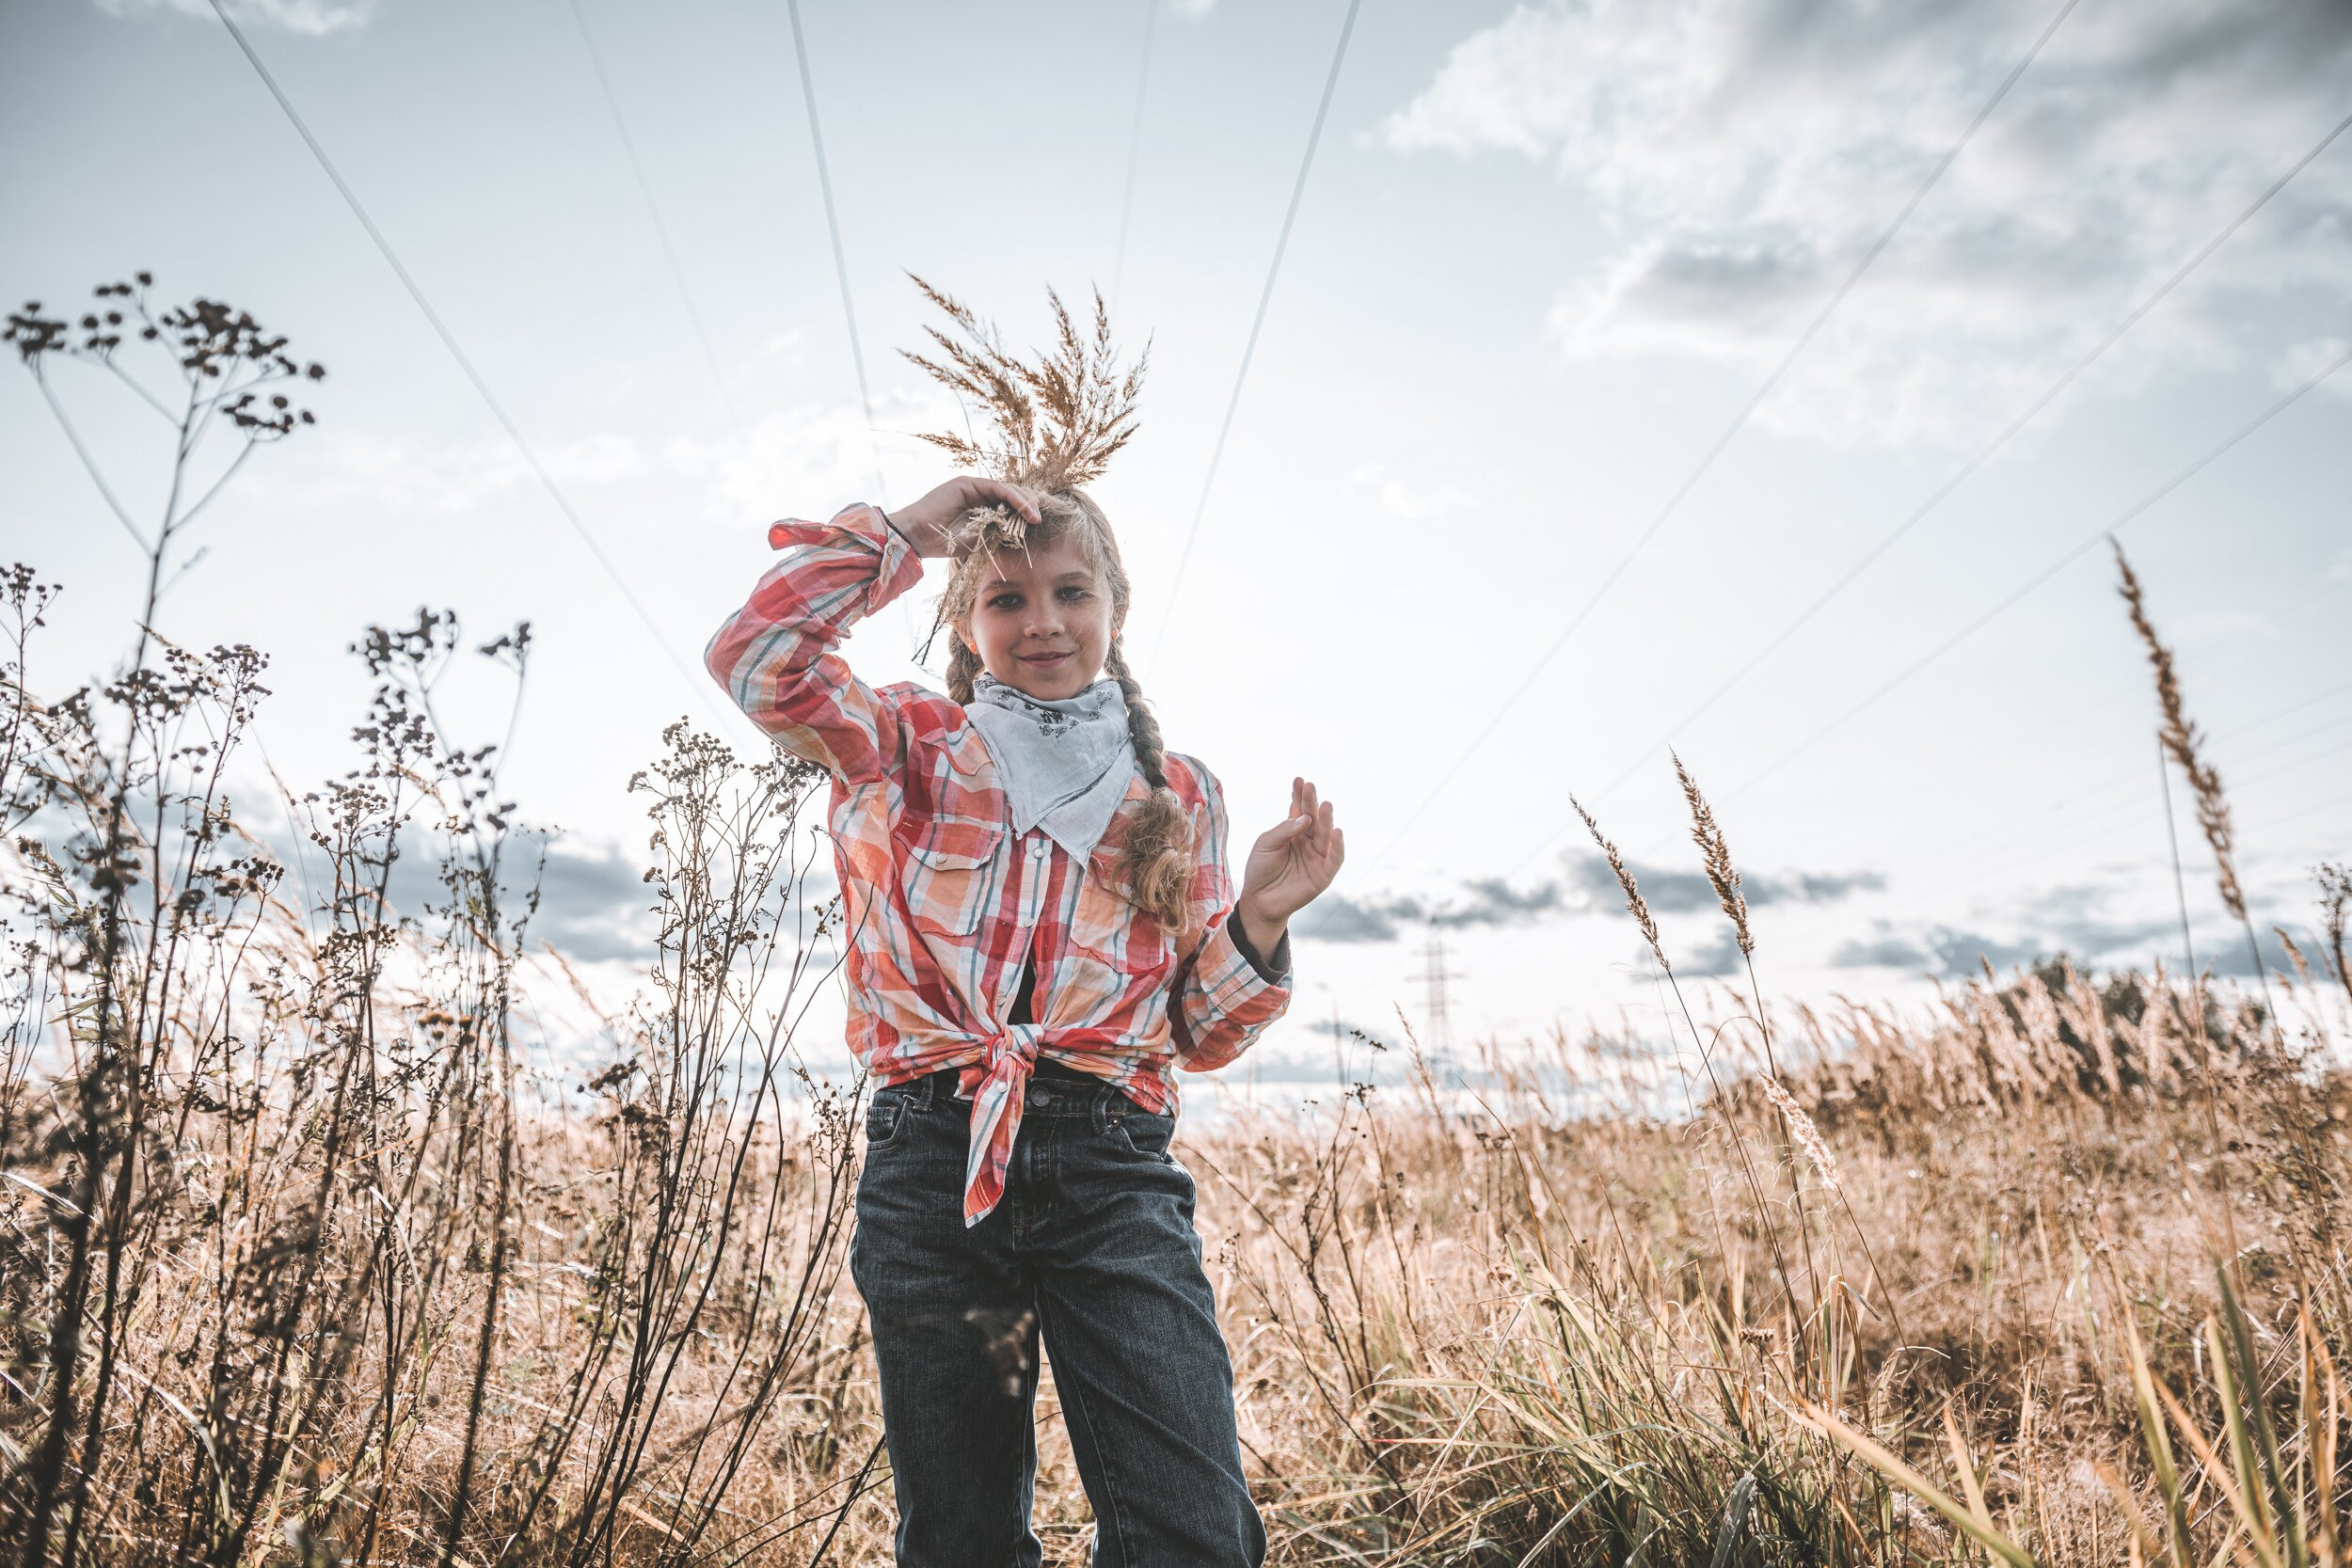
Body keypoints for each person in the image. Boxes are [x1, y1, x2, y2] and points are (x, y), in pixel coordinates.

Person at [705, 468, 1343, 1567]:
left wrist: (1258, 918)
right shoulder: (910, 745)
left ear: (1116, 608)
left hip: (1111, 1163)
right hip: (933, 1157)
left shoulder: (1177, 793)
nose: (1042, 620)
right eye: (1005, 597)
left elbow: (1195, 1033)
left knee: (1192, 1529)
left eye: (1070, 592)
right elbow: (757, 657)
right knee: (962, 1539)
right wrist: (912, 530)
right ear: (965, 619)